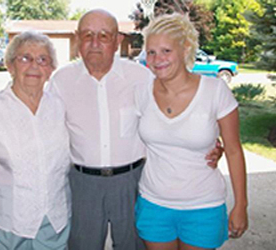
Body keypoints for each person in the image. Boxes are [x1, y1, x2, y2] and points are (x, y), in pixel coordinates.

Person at [48, 9, 223, 250]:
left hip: (132, 181)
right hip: (83, 184)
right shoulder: (61, 81)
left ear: (118, 40)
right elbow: (45, 127)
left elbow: (180, 111)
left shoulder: (143, 77)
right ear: (77, 38)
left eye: (104, 36)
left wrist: (213, 143)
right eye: (88, 35)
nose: (95, 43)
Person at [134, 13, 248, 250]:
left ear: (185, 49)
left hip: (203, 206)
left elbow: (235, 151)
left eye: (166, 51)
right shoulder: (141, 91)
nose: (157, 59)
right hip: (154, 204)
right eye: (151, 52)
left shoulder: (215, 91)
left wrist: (241, 205)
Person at [0, 31, 71, 250]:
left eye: (42, 59)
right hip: (5, 227)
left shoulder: (61, 107)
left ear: (51, 70)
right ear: (10, 66)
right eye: (25, 58)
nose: (34, 66)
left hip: (54, 226)